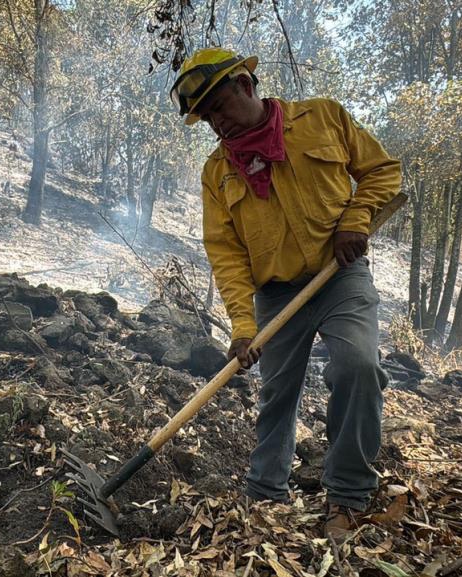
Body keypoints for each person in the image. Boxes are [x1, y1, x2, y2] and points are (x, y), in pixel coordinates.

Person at [171, 47, 401, 540]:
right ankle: (265, 493)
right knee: (278, 393)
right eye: (207, 116)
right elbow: (227, 254)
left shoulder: (323, 118)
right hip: (276, 294)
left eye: (220, 108)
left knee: (358, 366)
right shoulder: (218, 173)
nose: (216, 125)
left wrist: (355, 220)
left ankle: (347, 496)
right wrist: (242, 326)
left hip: (340, 274)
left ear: (246, 87)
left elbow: (383, 171)